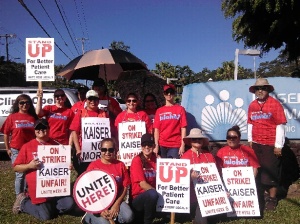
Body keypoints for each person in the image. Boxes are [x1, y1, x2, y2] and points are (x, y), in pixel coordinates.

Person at [12, 119, 74, 220]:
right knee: (45, 216)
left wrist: (67, 166)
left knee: (69, 204)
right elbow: (16, 168)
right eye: (38, 128)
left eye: (44, 127)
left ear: (49, 129)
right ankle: (23, 202)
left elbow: (62, 164)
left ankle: (49, 207)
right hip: (37, 191)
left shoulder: (56, 145)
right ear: (34, 131)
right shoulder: (27, 146)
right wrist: (29, 166)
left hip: (55, 188)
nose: (41, 130)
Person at [247, 78, 287, 211]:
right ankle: (263, 196)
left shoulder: (275, 104)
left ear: (268, 90)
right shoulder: (252, 105)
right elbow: (250, 123)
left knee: (271, 172)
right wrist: (250, 139)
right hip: (256, 144)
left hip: (270, 144)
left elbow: (280, 125)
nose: (260, 91)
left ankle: (272, 198)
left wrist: (278, 145)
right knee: (259, 171)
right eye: (258, 89)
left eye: (263, 88)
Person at [81, 138, 134, 224]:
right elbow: (87, 191)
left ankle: (112, 217)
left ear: (115, 150)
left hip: (115, 199)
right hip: (97, 203)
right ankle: (88, 217)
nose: (107, 152)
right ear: (100, 150)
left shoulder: (120, 165)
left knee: (129, 217)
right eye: (104, 149)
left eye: (111, 149)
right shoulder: (93, 166)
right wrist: (100, 210)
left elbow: (125, 186)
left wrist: (117, 204)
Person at [0, 94, 38, 196]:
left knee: (28, 172)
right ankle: (19, 197)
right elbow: (6, 133)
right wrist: (8, 149)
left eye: (27, 103)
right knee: (20, 174)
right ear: (18, 104)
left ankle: (26, 194)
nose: (25, 105)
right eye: (22, 103)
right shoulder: (12, 117)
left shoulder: (33, 118)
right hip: (16, 149)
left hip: (29, 149)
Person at [181, 128, 215, 224]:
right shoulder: (185, 157)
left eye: (199, 139)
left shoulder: (209, 156)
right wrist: (190, 178)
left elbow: (216, 176)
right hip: (191, 197)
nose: (197, 141)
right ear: (190, 141)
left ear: (203, 141)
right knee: (202, 221)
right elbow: (180, 183)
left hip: (208, 195)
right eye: (194, 139)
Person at [70, 90, 107, 176]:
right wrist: (78, 149)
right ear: (86, 100)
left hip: (100, 152)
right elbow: (74, 131)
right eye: (90, 99)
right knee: (84, 175)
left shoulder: (104, 113)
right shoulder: (81, 113)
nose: (93, 102)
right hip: (85, 152)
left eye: (95, 99)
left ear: (98, 101)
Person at [130, 133, 159, 224]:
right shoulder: (137, 160)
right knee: (152, 194)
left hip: (151, 197)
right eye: (144, 144)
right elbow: (142, 184)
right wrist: (158, 195)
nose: (147, 147)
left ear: (154, 146)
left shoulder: (157, 159)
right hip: (138, 199)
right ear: (141, 146)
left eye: (150, 144)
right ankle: (147, 221)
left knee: (153, 194)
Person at [153, 84, 187, 158]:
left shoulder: (180, 109)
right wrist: (156, 145)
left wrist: (182, 145)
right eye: (166, 92)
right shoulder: (159, 111)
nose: (169, 94)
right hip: (162, 145)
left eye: (171, 92)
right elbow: (156, 130)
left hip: (175, 145)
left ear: (174, 93)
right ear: (163, 94)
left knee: (173, 167)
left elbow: (183, 128)